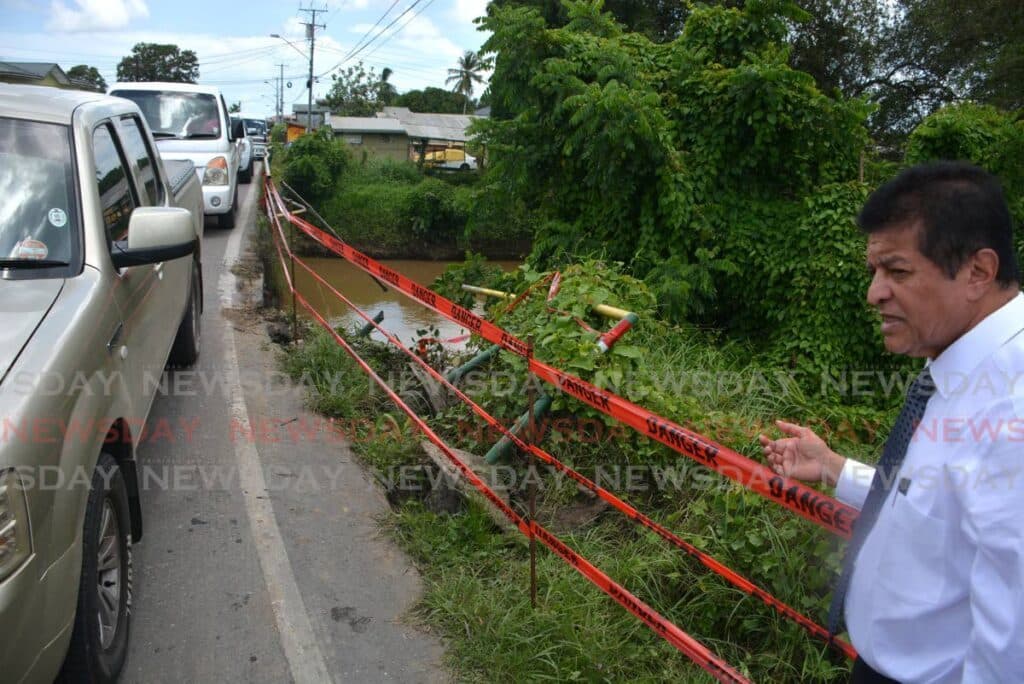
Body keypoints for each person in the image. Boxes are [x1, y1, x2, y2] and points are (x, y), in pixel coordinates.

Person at [759, 161, 1024, 683]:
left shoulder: (1012, 407)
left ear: (978, 272)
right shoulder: (956, 360)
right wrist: (837, 469)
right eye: (874, 272)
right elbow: (932, 502)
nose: (874, 293)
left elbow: (1010, 647)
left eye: (897, 272)